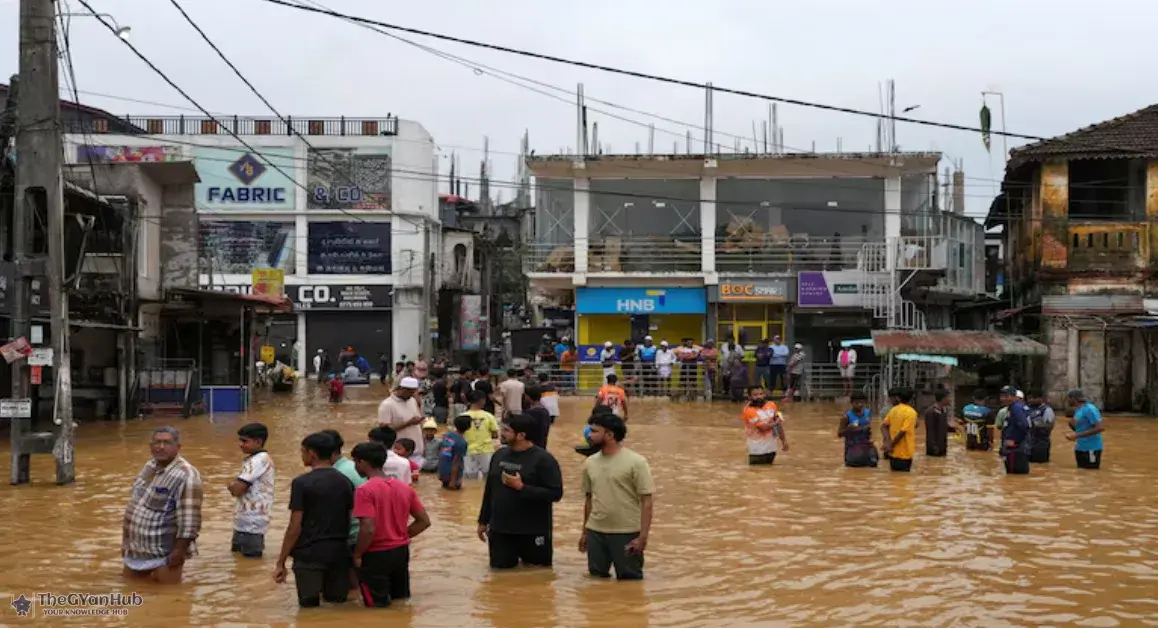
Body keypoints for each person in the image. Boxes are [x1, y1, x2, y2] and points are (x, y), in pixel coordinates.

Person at [274, 432, 355, 608]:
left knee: (308, 609)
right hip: (339, 553)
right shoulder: (345, 482)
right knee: (337, 607)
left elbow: (295, 526)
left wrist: (281, 561)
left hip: (309, 554)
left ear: (312, 454)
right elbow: (350, 518)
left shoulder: (301, 483)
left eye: (302, 451)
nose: (301, 455)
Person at [477, 413, 564, 569]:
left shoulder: (544, 460)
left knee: (537, 575)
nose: (501, 433)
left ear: (521, 435)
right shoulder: (498, 455)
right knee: (500, 575)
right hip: (500, 530)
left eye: (506, 430)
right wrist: (483, 521)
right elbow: (489, 490)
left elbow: (555, 494)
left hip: (532, 530)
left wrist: (522, 488)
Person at [350, 442, 431, 608]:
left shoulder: (364, 490)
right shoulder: (404, 488)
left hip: (375, 554)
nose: (355, 466)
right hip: (401, 551)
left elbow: (368, 528)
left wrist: (357, 554)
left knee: (375, 607)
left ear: (362, 462)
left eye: (355, 462)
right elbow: (424, 521)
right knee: (400, 601)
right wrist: (400, 535)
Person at [122, 426, 203, 584]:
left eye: (167, 443)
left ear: (178, 447)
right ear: (150, 446)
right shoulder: (149, 466)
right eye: (157, 442)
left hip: (164, 555)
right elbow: (135, 504)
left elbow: (190, 521)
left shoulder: (187, 475)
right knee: (130, 591)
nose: (160, 447)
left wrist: (179, 552)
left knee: (169, 594)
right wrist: (125, 542)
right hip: (136, 550)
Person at [579, 413, 654, 581]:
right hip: (596, 532)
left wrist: (643, 537)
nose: (589, 435)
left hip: (626, 532)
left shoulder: (636, 462)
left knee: (630, 582)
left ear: (610, 435)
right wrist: (585, 533)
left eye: (594, 431)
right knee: (596, 581)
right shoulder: (589, 463)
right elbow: (589, 499)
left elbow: (647, 502)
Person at [230, 423, 274, 559]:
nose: (240, 444)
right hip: (246, 521)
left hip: (252, 523)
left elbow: (238, 489)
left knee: (249, 561)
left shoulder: (258, 461)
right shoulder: (256, 459)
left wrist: (230, 485)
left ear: (258, 442)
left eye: (244, 441)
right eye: (240, 440)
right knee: (241, 562)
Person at [377, 377, 425, 467]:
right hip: (399, 452)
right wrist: (408, 423)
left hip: (417, 449)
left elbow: (418, 424)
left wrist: (424, 443)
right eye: (411, 392)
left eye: (414, 392)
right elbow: (384, 431)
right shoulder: (387, 405)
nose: (412, 395)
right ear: (402, 389)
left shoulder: (412, 400)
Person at [741, 385, 789, 465]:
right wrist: (777, 422)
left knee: (769, 470)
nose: (759, 397)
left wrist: (784, 441)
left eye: (761, 394)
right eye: (755, 395)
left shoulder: (771, 405)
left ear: (764, 394)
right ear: (749, 397)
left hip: (771, 449)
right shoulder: (748, 410)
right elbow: (763, 428)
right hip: (756, 450)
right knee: (756, 470)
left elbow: (779, 426)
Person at [463, 390, 501, 479]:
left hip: (468, 451)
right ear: (482, 400)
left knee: (470, 479)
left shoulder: (462, 416)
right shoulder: (489, 416)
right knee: (488, 478)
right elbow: (495, 435)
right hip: (486, 451)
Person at [1066, 389, 1105, 469]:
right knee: (1081, 473)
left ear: (1074, 398)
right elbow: (1082, 428)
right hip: (1080, 448)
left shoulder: (1089, 409)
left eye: (1069, 398)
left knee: (1092, 473)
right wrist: (1072, 426)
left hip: (1092, 449)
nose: (1067, 401)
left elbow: (1100, 428)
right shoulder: (1078, 410)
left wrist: (1076, 436)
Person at [881, 387, 917, 472]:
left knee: (894, 476)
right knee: (904, 478)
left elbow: (883, 426)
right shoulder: (911, 413)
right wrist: (891, 445)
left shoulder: (893, 410)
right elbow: (902, 432)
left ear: (899, 398)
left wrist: (888, 443)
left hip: (893, 453)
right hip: (905, 454)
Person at [999, 386, 1031, 475]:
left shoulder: (1016, 408)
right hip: (1016, 448)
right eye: (1002, 396)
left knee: (1015, 476)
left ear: (1013, 397)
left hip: (1015, 449)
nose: (1003, 399)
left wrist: (1015, 443)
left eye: (1006, 396)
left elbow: (1024, 426)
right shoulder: (1015, 407)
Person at [439, 415, 471, 490]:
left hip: (442, 469)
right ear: (468, 427)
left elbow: (442, 450)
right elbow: (456, 462)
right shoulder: (462, 442)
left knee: (444, 491)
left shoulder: (447, 435)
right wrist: (453, 481)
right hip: (453, 474)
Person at [1026, 389, 1056, 463]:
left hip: (1041, 444)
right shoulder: (1027, 409)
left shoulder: (1047, 410)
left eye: (1033, 398)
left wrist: (1035, 424)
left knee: (1041, 465)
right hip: (1028, 444)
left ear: (1041, 398)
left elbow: (1049, 426)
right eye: (1029, 398)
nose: (1030, 400)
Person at [923, 390, 951, 457]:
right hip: (934, 449)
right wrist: (934, 448)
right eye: (948, 397)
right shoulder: (930, 412)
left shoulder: (944, 410)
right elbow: (930, 431)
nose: (950, 399)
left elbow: (942, 426)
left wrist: (953, 429)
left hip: (943, 447)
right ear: (943, 399)